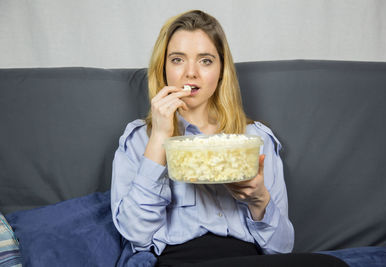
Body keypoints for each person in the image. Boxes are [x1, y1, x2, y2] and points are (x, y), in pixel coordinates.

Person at [111, 10, 348, 267]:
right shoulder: (138, 139)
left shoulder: (256, 138)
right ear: (163, 68)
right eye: (178, 59)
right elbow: (136, 236)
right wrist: (159, 137)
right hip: (178, 260)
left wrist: (259, 199)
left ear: (222, 70)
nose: (191, 73)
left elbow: (281, 250)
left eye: (205, 61)